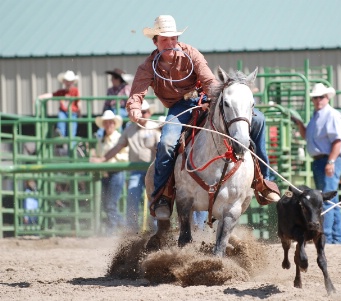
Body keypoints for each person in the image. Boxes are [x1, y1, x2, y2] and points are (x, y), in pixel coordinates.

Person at [125, 15, 280, 220]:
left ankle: (262, 181)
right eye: (164, 39)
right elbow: (136, 95)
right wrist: (134, 109)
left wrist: (216, 96)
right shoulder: (147, 67)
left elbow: (208, 79)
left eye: (173, 38)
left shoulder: (191, 53)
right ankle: (163, 195)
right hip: (179, 108)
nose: (170, 42)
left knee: (257, 121)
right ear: (155, 41)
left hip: (207, 99)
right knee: (167, 143)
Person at [91, 100, 160, 232]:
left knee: (154, 200)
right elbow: (118, 146)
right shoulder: (130, 129)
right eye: (140, 112)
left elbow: (162, 147)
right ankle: (132, 230)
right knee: (132, 197)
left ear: (149, 113)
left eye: (144, 112)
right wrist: (104, 159)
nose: (142, 115)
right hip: (137, 170)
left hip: (153, 171)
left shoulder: (155, 127)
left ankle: (155, 230)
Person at [291, 83, 341, 244]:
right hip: (321, 160)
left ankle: (327, 235)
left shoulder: (331, 115)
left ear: (327, 97)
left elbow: (338, 141)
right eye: (315, 97)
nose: (318, 100)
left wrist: (331, 161)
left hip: (328, 159)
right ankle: (335, 236)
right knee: (329, 198)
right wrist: (300, 124)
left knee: (326, 198)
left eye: (320, 97)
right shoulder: (317, 116)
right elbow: (307, 136)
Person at [90, 110, 129, 236]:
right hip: (107, 173)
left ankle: (111, 232)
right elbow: (100, 156)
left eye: (110, 122)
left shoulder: (118, 138)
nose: (108, 124)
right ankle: (125, 228)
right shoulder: (102, 140)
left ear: (114, 123)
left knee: (110, 204)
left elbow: (124, 156)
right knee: (108, 204)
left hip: (116, 172)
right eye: (106, 122)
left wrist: (101, 160)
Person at [39, 70, 81, 138]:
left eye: (70, 81)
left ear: (73, 82)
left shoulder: (75, 91)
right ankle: (60, 134)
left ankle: (70, 143)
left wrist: (79, 112)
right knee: (61, 117)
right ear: (64, 82)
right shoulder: (61, 92)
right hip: (63, 112)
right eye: (67, 81)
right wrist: (40, 97)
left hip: (73, 113)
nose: (69, 83)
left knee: (72, 130)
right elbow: (51, 94)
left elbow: (78, 102)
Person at [96, 68, 134, 138]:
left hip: (123, 110)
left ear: (118, 79)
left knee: (117, 115)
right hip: (111, 110)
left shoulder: (126, 88)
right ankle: (100, 134)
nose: (111, 80)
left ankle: (116, 135)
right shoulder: (110, 90)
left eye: (113, 78)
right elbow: (106, 103)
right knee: (107, 117)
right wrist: (104, 112)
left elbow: (130, 101)